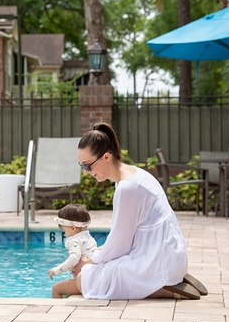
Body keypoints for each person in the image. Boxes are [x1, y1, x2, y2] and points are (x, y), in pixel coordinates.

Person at [70, 122, 207, 300]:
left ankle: (166, 288)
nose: (87, 172)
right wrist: (98, 255)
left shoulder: (127, 188)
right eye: (83, 167)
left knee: (85, 279)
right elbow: (123, 237)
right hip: (169, 254)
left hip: (155, 261)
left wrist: (88, 262)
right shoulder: (135, 174)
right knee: (96, 266)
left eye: (88, 166)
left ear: (106, 157)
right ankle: (169, 277)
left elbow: (120, 244)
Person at [47, 204, 98, 298]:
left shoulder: (73, 240)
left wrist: (57, 270)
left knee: (56, 288)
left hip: (83, 280)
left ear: (73, 228)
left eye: (65, 231)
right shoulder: (88, 237)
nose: (65, 234)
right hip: (93, 277)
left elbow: (74, 258)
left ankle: (55, 311)